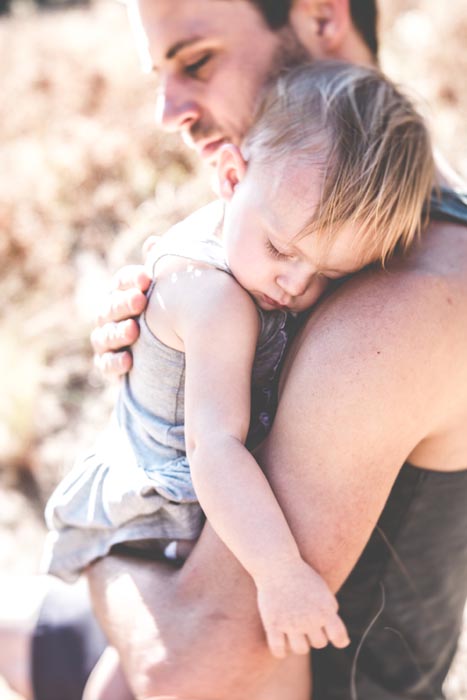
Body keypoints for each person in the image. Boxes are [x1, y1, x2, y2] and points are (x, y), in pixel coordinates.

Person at [1, 1, 467, 699]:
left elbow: (181, 671)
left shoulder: (400, 307)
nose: (167, 109)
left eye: (196, 61)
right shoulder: (326, 198)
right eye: (159, 74)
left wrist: (99, 534)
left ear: (319, 17)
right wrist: (157, 353)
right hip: (174, 577)